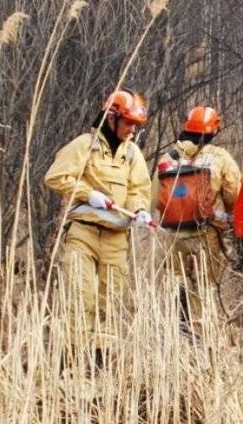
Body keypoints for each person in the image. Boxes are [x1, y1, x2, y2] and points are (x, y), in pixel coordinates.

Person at [44, 89, 152, 364]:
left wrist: (139, 209)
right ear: (112, 117)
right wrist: (85, 192)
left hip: (116, 239)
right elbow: (55, 177)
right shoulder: (84, 144)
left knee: (111, 300)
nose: (131, 130)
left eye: (135, 125)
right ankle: (71, 357)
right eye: (127, 122)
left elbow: (139, 189)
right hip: (84, 233)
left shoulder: (133, 154)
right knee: (80, 296)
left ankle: (99, 359)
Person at [152, 106, 241, 334]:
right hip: (207, 232)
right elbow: (234, 193)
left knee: (178, 278)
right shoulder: (220, 158)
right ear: (214, 130)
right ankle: (198, 331)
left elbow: (155, 196)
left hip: (174, 232)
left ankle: (175, 324)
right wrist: (228, 215)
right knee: (204, 283)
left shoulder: (168, 157)